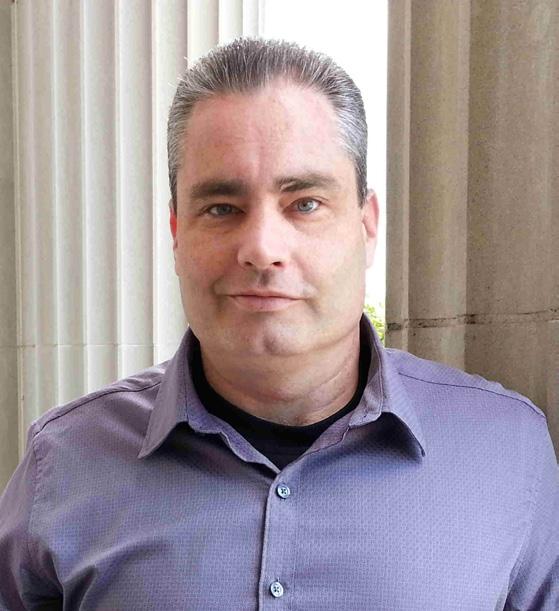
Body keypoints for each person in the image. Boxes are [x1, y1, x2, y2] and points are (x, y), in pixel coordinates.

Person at [0, 37, 557, 610]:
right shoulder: (63, 464)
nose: (262, 248)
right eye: (222, 208)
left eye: (305, 203)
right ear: (176, 233)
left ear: (367, 226)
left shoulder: (506, 449)